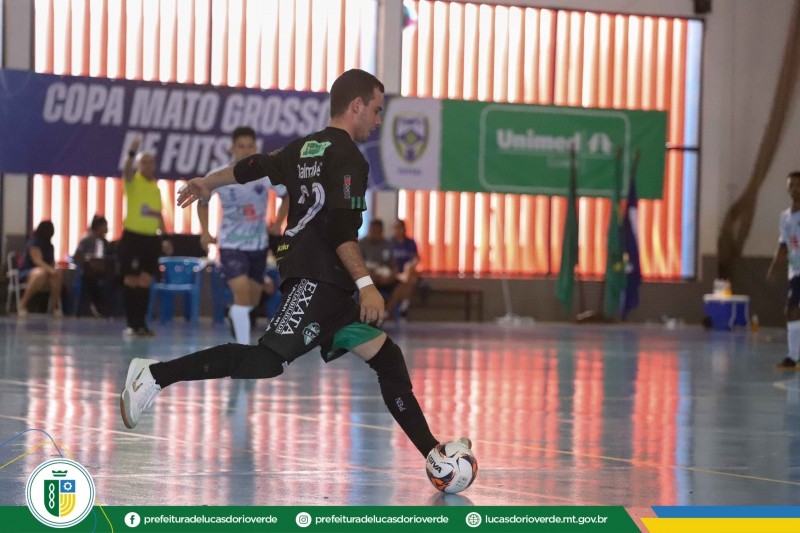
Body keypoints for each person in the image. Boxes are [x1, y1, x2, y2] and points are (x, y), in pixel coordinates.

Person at [120, 69, 468, 466]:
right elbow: (340, 231)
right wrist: (368, 285)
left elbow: (255, 166)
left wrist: (210, 182)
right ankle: (154, 375)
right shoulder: (349, 158)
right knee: (267, 360)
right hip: (316, 278)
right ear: (356, 106)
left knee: (387, 358)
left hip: (332, 291)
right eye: (376, 110)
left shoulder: (304, 147)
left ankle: (434, 455)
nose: (377, 120)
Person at [197, 126, 288, 345]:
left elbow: (286, 196)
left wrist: (278, 223)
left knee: (252, 301)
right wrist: (205, 232)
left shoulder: (265, 175)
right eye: (241, 146)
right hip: (230, 245)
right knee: (243, 295)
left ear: (256, 148)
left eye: (250, 146)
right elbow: (202, 202)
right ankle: (244, 348)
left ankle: (234, 313)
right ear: (232, 148)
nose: (246, 151)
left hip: (258, 245)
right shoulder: (219, 175)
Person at [119, 136, 166, 337]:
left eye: (150, 162)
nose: (148, 165)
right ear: (139, 165)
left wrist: (165, 237)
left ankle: (142, 323)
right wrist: (132, 151)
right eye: (144, 162)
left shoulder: (155, 187)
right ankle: (132, 324)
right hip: (133, 237)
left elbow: (158, 214)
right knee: (131, 280)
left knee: (146, 280)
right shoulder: (133, 182)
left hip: (151, 239)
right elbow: (126, 170)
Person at [767, 170, 800, 369]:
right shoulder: (785, 217)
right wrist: (774, 266)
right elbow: (783, 245)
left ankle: (793, 356)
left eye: (798, 185)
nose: (795, 189)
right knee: (792, 309)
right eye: (791, 185)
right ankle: (793, 356)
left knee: (792, 308)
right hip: (795, 270)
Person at [17, 220, 63, 317]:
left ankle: (53, 307)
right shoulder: (34, 242)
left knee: (57, 275)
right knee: (40, 273)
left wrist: (53, 271)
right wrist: (50, 270)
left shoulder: (50, 245)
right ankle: (22, 305)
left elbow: (52, 262)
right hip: (29, 271)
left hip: (46, 272)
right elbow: (37, 260)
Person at [72, 215, 110, 317]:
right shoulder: (86, 241)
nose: (107, 229)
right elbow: (77, 257)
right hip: (88, 272)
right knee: (90, 280)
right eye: (105, 226)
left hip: (103, 273)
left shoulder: (105, 243)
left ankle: (103, 310)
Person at [390, 219, 420, 317]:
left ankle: (390, 309)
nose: (397, 230)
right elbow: (388, 261)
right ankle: (404, 303)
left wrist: (410, 267)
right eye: (395, 228)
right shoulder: (390, 243)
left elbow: (416, 258)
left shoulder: (411, 242)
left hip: (408, 273)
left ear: (404, 229)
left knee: (410, 275)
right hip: (394, 273)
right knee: (410, 280)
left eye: (399, 228)